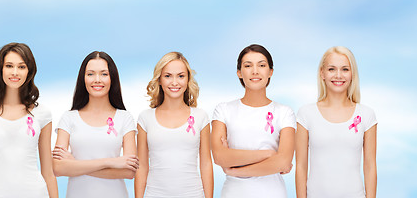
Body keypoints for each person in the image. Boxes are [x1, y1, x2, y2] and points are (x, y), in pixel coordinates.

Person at [0, 43, 58, 198]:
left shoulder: (42, 113)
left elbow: (48, 172)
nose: (15, 72)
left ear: (29, 71)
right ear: (0, 69)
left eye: (21, 67)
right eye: (9, 66)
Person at [211, 44, 295, 198]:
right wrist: (269, 154)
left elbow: (283, 162)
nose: (255, 71)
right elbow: (219, 156)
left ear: (270, 72)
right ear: (239, 73)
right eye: (248, 65)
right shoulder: (223, 110)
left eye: (261, 65)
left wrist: (235, 169)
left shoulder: (284, 112)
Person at [52, 51, 138, 198]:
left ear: (112, 78)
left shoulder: (125, 118)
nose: (97, 80)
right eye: (91, 74)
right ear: (83, 78)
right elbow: (58, 168)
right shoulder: (69, 118)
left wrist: (75, 165)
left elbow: (129, 171)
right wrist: (111, 162)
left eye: (104, 74)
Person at [295, 46, 377, 198]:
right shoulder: (306, 114)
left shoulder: (366, 115)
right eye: (332, 69)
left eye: (345, 69)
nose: (338, 75)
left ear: (352, 74)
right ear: (322, 73)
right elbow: (300, 166)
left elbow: (370, 166)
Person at [135, 52, 213, 198]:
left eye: (181, 76)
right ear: (159, 80)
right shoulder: (145, 118)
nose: (174, 82)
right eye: (168, 76)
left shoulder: (200, 117)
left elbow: (206, 164)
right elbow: (142, 166)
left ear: (188, 79)